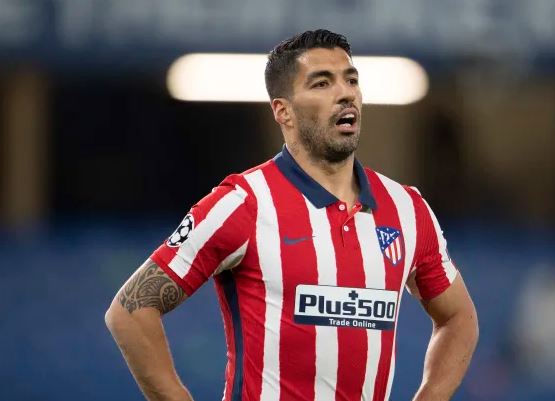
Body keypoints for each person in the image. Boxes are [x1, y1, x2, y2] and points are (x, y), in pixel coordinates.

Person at [105, 29, 478, 401]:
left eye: (351, 80)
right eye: (322, 83)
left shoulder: (406, 208)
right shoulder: (244, 203)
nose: (345, 93)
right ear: (283, 112)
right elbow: (130, 310)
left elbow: (458, 318)